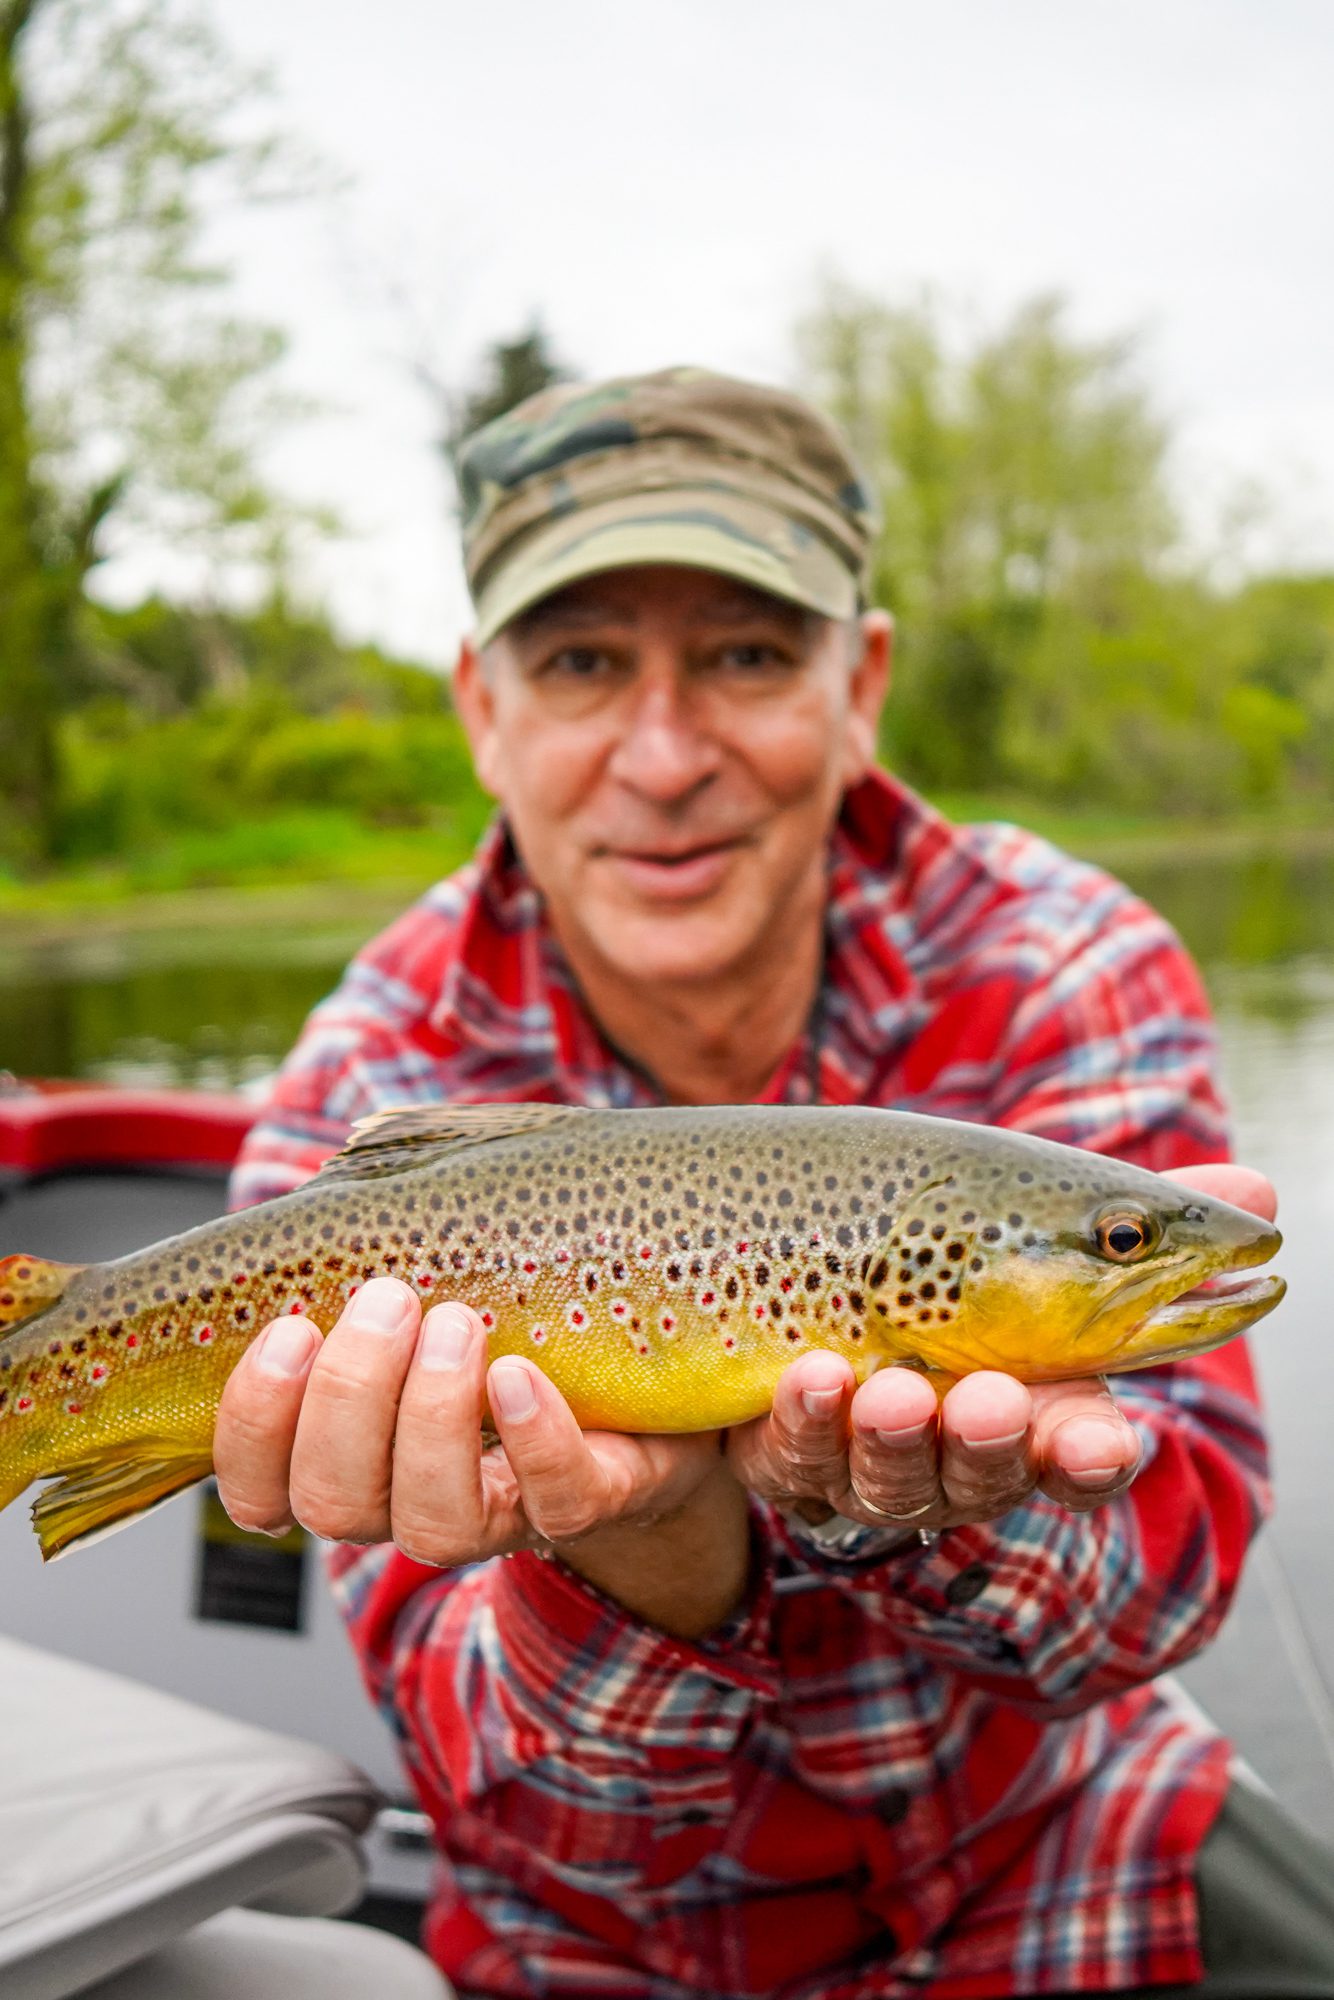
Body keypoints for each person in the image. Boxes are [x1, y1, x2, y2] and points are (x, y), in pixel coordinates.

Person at [217, 368, 1334, 1999]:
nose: (663, 756)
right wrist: (655, 1542)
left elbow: (1144, 1616)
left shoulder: (1057, 960)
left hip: (1064, 1869)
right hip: (607, 1950)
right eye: (583, 662)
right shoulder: (367, 1088)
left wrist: (931, 1517)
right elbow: (520, 1807)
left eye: (744, 654)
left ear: (859, 680)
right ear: (481, 709)